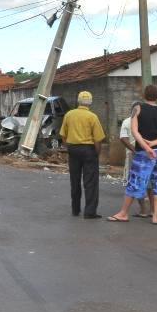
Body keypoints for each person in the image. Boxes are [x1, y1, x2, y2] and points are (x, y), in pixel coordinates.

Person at [108, 85, 157, 225]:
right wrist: (154, 143)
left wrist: (146, 146)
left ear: (144, 95)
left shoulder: (138, 109)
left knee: (135, 181)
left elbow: (135, 131)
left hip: (143, 153)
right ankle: (156, 216)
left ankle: (124, 213)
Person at [60, 91, 106, 219]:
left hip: (73, 149)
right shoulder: (92, 117)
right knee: (90, 181)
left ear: (78, 101)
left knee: (74, 180)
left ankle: (75, 209)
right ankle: (89, 211)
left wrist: (68, 147)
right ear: (90, 102)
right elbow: (98, 139)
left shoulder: (69, 115)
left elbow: (63, 135)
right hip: (88, 150)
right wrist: (96, 153)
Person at [119, 101, 149, 217]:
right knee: (147, 180)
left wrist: (133, 149)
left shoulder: (127, 121)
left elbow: (123, 138)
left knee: (135, 181)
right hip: (147, 154)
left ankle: (143, 210)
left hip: (134, 155)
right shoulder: (146, 121)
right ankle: (151, 210)